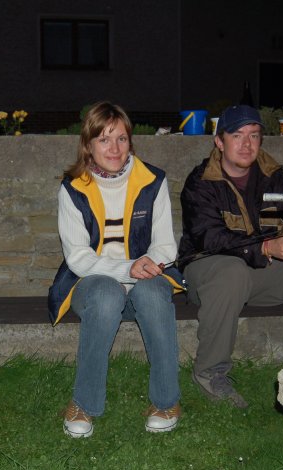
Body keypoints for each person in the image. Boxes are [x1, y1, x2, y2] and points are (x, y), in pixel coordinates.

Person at [178, 105, 283, 408]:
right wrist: (265, 247)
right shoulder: (201, 181)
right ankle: (210, 373)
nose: (246, 144)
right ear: (219, 141)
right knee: (232, 271)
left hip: (259, 274)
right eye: (237, 135)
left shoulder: (274, 177)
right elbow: (209, 238)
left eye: (254, 135)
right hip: (208, 272)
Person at [48, 101, 186, 438]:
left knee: (153, 293)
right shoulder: (73, 187)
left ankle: (166, 402)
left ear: (130, 142)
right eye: (104, 139)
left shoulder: (152, 180)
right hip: (92, 285)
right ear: (88, 145)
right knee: (107, 293)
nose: (114, 148)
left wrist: (148, 265)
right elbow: (78, 258)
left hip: (146, 278)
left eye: (121, 139)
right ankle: (84, 403)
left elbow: (166, 245)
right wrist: (127, 269)